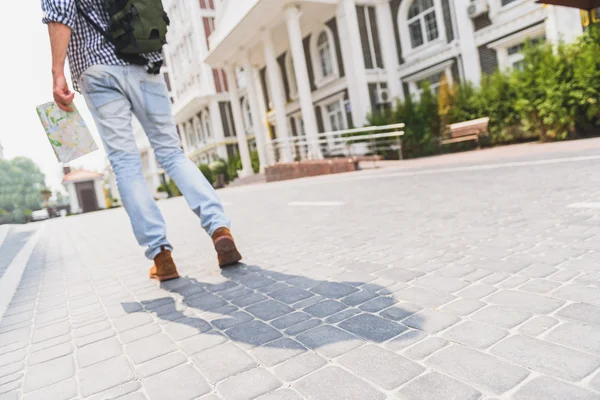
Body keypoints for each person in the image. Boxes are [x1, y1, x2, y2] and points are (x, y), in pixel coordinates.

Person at [42, 0, 242, 281]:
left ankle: (161, 255)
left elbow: (60, 13)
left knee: (125, 163)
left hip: (97, 69)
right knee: (172, 153)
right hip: (143, 61)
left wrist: (57, 72)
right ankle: (220, 229)